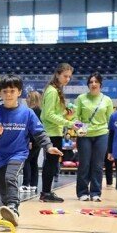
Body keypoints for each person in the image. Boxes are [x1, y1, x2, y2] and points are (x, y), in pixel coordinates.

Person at [0, 75, 62, 226]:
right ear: (0, 93)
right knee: (2, 187)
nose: (8, 94)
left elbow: (39, 132)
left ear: (19, 92)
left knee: (10, 178)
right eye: (5, 91)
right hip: (0, 155)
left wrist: (48, 146)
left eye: (12, 91)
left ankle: (13, 207)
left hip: (18, 154)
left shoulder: (27, 113)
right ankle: (9, 211)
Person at [40, 63, 77, 202]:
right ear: (57, 74)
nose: (67, 79)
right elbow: (48, 115)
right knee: (50, 163)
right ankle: (45, 193)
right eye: (65, 76)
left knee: (52, 163)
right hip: (51, 133)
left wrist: (67, 115)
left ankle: (47, 191)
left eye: (69, 77)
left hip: (55, 131)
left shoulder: (56, 90)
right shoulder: (52, 91)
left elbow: (56, 114)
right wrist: (69, 123)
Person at [74, 72, 113, 201]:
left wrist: (109, 134)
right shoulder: (81, 98)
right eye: (91, 82)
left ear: (100, 84)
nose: (93, 84)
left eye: (96, 81)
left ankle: (96, 192)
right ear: (88, 85)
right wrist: (79, 130)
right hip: (85, 134)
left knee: (97, 165)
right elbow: (76, 117)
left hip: (102, 134)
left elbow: (110, 120)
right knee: (84, 164)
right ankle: (82, 192)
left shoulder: (107, 100)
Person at [20, 91, 41, 192]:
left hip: (32, 140)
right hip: (39, 140)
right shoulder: (40, 110)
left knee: (26, 161)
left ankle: (26, 184)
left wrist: (30, 140)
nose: (26, 100)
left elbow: (31, 127)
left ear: (32, 98)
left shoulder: (31, 111)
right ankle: (34, 184)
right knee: (34, 162)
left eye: (28, 97)